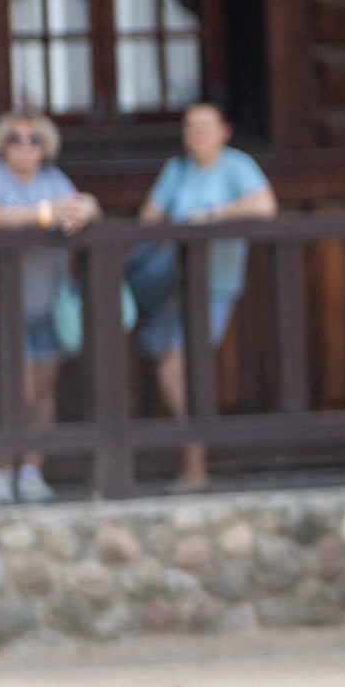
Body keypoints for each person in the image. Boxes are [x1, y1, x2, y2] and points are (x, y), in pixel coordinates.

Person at [125, 103, 274, 491]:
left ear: (224, 130)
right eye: (191, 126)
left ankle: (194, 464)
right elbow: (148, 218)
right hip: (171, 286)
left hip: (215, 284)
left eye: (205, 126)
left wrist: (210, 215)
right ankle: (193, 458)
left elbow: (264, 205)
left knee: (177, 367)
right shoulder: (176, 170)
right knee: (170, 368)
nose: (197, 133)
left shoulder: (236, 165)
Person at [0, 110, 99, 504]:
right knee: (15, 387)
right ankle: (1, 471)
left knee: (44, 385)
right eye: (15, 138)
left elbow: (87, 207)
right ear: (1, 145)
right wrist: (46, 214)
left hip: (46, 300)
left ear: (46, 147)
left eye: (33, 139)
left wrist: (86, 208)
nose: (24, 146)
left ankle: (31, 470)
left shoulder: (54, 180)